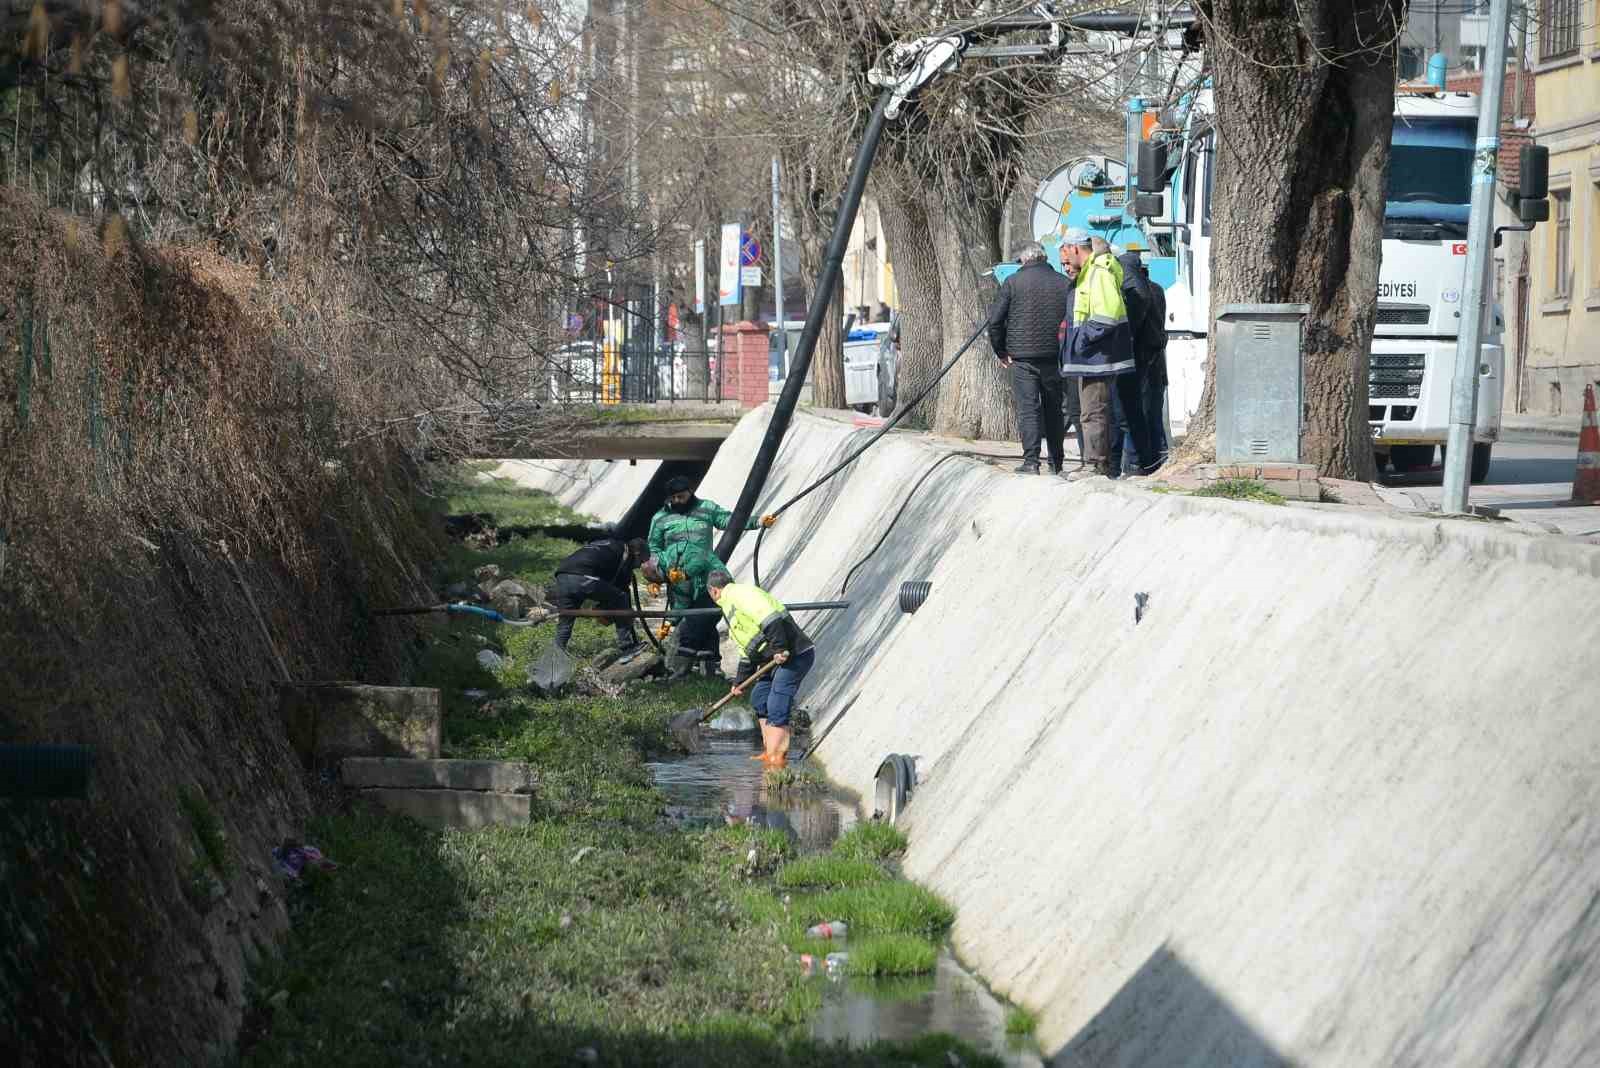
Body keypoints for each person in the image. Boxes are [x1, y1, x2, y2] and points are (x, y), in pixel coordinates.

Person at [647, 475, 775, 678]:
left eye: (681, 496)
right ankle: (697, 665)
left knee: (706, 615)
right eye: (674, 498)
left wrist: (758, 522)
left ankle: (708, 664)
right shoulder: (660, 518)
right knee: (687, 617)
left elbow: (730, 521)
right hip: (678, 578)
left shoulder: (707, 508)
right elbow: (653, 549)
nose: (678, 501)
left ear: (691, 491)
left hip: (706, 574)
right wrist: (655, 576)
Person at [706, 569, 815, 767]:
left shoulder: (739, 594)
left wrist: (780, 647)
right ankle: (769, 751)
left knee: (777, 702)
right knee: (759, 697)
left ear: (713, 591)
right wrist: (739, 682)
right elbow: (746, 651)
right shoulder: (729, 607)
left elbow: (770, 618)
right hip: (771, 661)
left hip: (794, 653)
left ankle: (778, 757)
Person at [986, 240, 1072, 475]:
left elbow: (995, 322)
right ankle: (1057, 462)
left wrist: (1001, 351)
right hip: (1054, 356)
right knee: (1054, 410)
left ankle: (1031, 462)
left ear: (1023, 260)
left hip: (1022, 358)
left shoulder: (1012, 282)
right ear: (1044, 258)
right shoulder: (1064, 283)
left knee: (1029, 409)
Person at [1059, 229, 1138, 480]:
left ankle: (1095, 465)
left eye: (1064, 256)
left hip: (1097, 357)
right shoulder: (1090, 273)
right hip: (1092, 357)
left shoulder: (1099, 272)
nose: (1064, 264)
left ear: (1074, 248)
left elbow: (1106, 316)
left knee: (1093, 412)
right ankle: (1094, 463)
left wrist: (1082, 340)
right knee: (1090, 412)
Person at [1109, 248, 1160, 476]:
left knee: (1125, 413)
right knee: (1141, 412)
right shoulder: (1155, 288)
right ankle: (1145, 461)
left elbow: (1137, 313)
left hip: (1133, 355)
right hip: (1147, 356)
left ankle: (1135, 462)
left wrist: (1127, 333)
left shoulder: (1134, 287)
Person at [551, 536, 648, 653]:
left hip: (562, 576)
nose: (639, 566)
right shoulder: (624, 555)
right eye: (641, 561)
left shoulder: (610, 545)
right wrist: (626, 613)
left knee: (565, 623)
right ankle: (628, 647)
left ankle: (553, 661)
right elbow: (623, 593)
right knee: (621, 599)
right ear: (637, 553)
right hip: (581, 576)